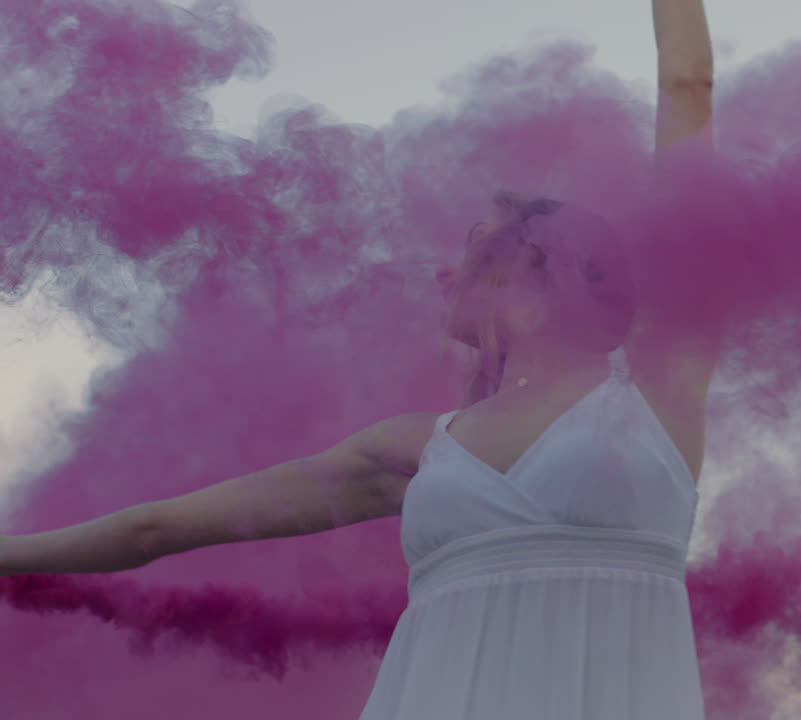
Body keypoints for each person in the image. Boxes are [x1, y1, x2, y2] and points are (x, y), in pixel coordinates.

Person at [0, 1, 717, 718]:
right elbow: (152, 530)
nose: (443, 275)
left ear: (532, 264)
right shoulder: (413, 449)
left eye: (470, 247)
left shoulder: (660, 383)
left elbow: (687, 85)